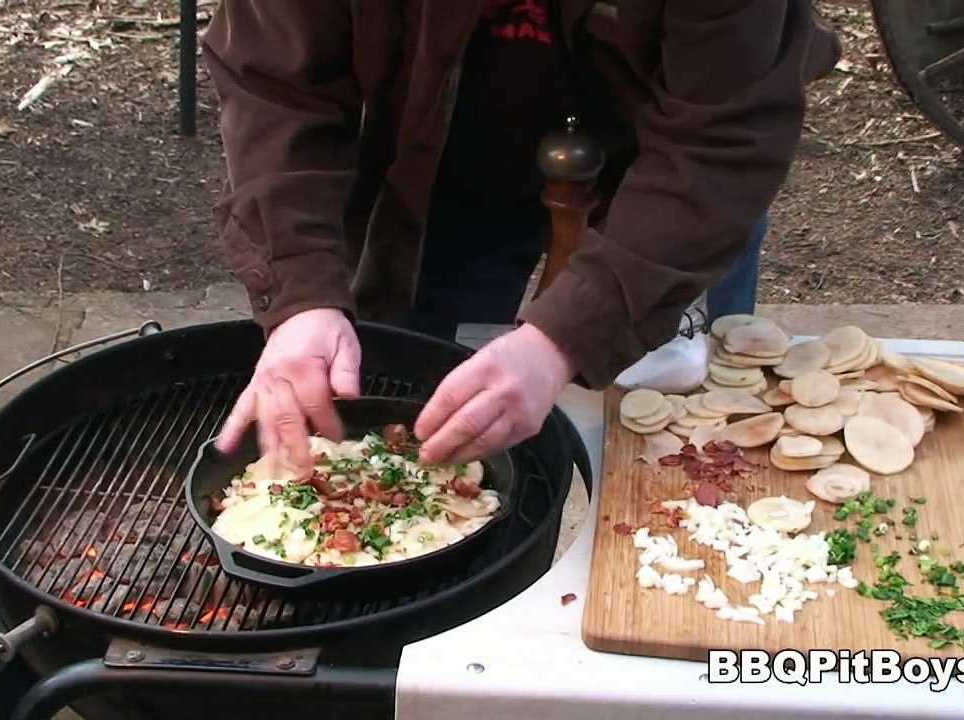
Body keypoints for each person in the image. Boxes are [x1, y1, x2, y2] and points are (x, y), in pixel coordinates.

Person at [203, 0, 840, 474]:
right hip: (450, 142)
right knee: (425, 398)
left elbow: (720, 142)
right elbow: (277, 82)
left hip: (675, 164)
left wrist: (564, 339)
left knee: (698, 425)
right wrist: (302, 292)